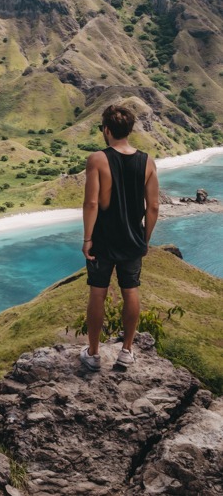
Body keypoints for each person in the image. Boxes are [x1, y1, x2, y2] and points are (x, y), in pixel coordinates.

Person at [81, 104, 159, 370]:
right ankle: (126, 351)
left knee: (98, 292)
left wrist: (87, 239)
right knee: (131, 289)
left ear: (106, 130)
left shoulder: (98, 159)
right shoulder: (148, 161)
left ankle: (92, 353)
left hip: (103, 239)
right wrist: (145, 238)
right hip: (132, 239)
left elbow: (92, 203)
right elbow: (154, 207)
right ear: (130, 129)